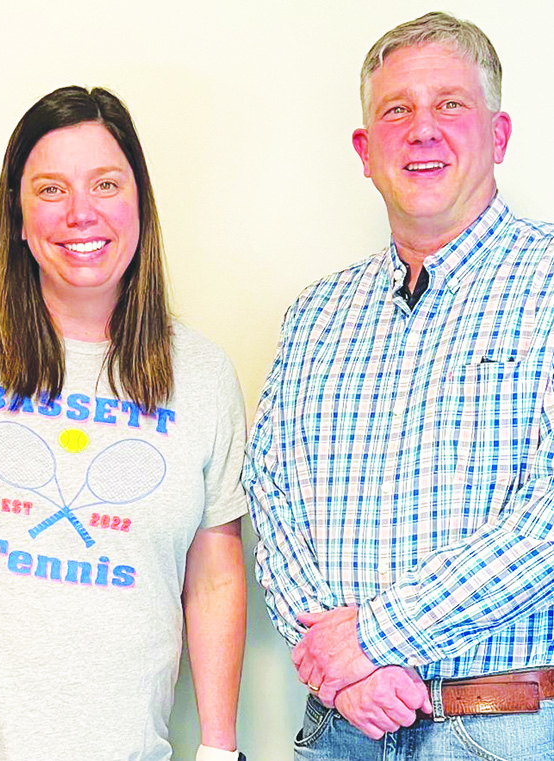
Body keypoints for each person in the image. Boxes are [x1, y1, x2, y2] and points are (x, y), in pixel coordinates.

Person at [0, 86, 248, 761]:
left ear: (139, 204)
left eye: (106, 184)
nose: (81, 212)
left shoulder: (202, 373)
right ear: (18, 219)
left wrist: (219, 748)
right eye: (50, 189)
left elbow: (216, 569)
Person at [244, 10, 554, 759]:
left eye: (450, 103)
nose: (422, 129)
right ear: (365, 149)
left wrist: (372, 638)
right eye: (396, 110)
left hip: (502, 731)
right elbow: (271, 494)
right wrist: (344, 672)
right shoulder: (315, 315)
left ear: (499, 135)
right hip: (336, 727)